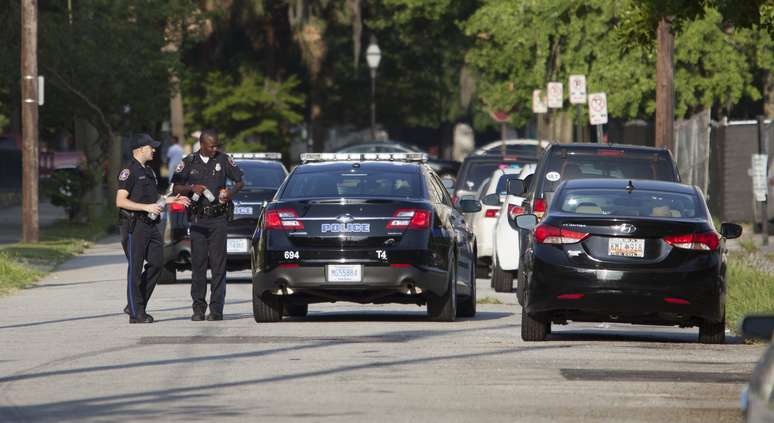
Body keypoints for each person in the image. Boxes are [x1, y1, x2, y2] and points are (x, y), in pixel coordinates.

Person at [116, 134, 190, 324]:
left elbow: (151, 197)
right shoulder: (128, 171)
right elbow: (120, 201)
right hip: (134, 225)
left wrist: (168, 199)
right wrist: (145, 208)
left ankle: (134, 302)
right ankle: (136, 313)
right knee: (135, 268)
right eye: (151, 147)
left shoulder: (148, 171)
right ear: (140, 149)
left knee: (157, 263)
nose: (155, 150)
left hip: (150, 224)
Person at [172, 130, 244, 321]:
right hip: (198, 220)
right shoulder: (189, 161)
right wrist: (191, 188)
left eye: (217, 145)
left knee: (219, 266)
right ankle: (198, 309)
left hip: (218, 219)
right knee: (198, 265)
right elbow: (175, 187)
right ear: (202, 145)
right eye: (212, 146)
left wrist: (230, 192)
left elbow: (240, 181)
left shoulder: (223, 160)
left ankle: (217, 309)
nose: (215, 149)